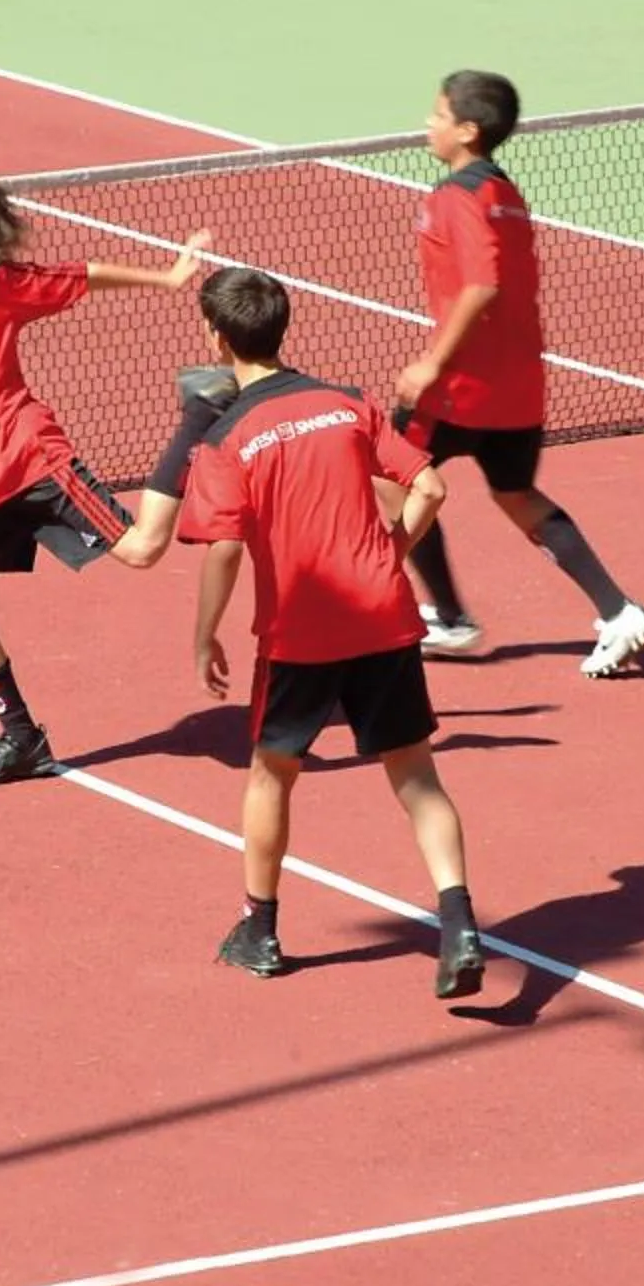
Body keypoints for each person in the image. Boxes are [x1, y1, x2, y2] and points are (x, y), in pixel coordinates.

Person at [175, 265, 486, 1000]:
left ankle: (260, 929)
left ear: (215, 336)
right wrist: (391, 553)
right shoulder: (347, 403)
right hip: (384, 615)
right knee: (416, 777)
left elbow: (221, 547)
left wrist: (204, 636)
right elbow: (430, 488)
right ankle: (461, 922)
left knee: (271, 775)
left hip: (301, 634)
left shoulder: (225, 437)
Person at [0, 146, 209, 786]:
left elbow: (81, 273)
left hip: (33, 459)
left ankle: (199, 421)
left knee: (143, 551)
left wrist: (169, 278)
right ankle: (23, 739)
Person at [394, 68, 644, 677]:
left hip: (460, 389)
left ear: (467, 129)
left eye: (437, 116)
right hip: (519, 385)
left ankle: (445, 617)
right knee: (516, 495)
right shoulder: (506, 194)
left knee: (394, 480)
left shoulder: (456, 198)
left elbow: (482, 286)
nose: (427, 125)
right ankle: (619, 612)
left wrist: (431, 363)